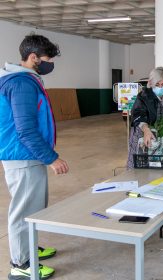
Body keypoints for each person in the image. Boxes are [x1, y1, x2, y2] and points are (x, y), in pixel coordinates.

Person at [0, 34, 69, 280]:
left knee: (34, 208)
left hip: (29, 155)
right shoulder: (21, 84)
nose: (49, 64)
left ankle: (28, 249)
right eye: (47, 60)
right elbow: (25, 129)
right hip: (23, 156)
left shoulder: (26, 80)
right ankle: (20, 264)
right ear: (32, 57)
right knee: (23, 211)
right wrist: (51, 158)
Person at [127, 66, 163, 168]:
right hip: (143, 133)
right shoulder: (143, 96)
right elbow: (138, 114)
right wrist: (146, 129)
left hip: (161, 135)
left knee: (158, 165)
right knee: (140, 165)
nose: (160, 87)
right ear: (151, 83)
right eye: (157, 84)